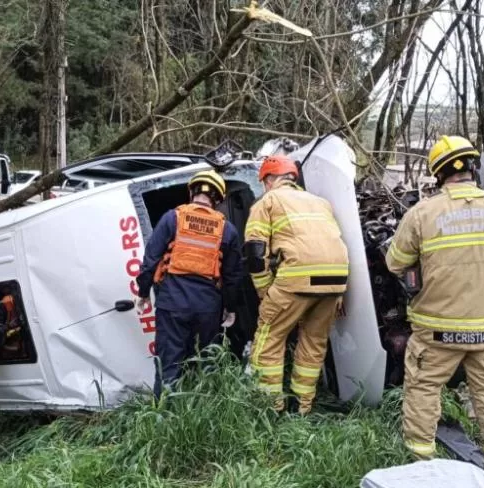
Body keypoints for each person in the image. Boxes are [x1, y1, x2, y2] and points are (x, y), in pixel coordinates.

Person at [385, 135, 484, 484]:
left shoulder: (422, 213)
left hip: (438, 332)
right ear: (472, 167)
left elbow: (395, 263)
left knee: (423, 390)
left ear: (437, 174)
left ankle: (421, 465)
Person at [244, 155, 349, 415]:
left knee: (268, 340)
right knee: (314, 344)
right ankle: (302, 408)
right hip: (335, 283)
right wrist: (339, 294)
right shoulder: (321, 203)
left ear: (268, 179)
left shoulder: (268, 200)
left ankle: (270, 409)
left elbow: (255, 253)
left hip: (297, 279)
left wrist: (265, 291)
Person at [135, 170, 244, 396]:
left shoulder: (172, 218)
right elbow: (233, 276)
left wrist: (143, 292)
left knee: (169, 366)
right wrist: (230, 308)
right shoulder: (228, 230)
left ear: (192, 192)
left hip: (172, 303)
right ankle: (203, 413)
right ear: (217, 199)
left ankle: (164, 417)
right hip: (208, 307)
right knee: (207, 363)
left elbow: (150, 260)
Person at [0, 287, 23, 356]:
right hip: (8, 349)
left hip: (24, 346)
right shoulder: (0, 306)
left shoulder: (25, 303)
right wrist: (8, 327)